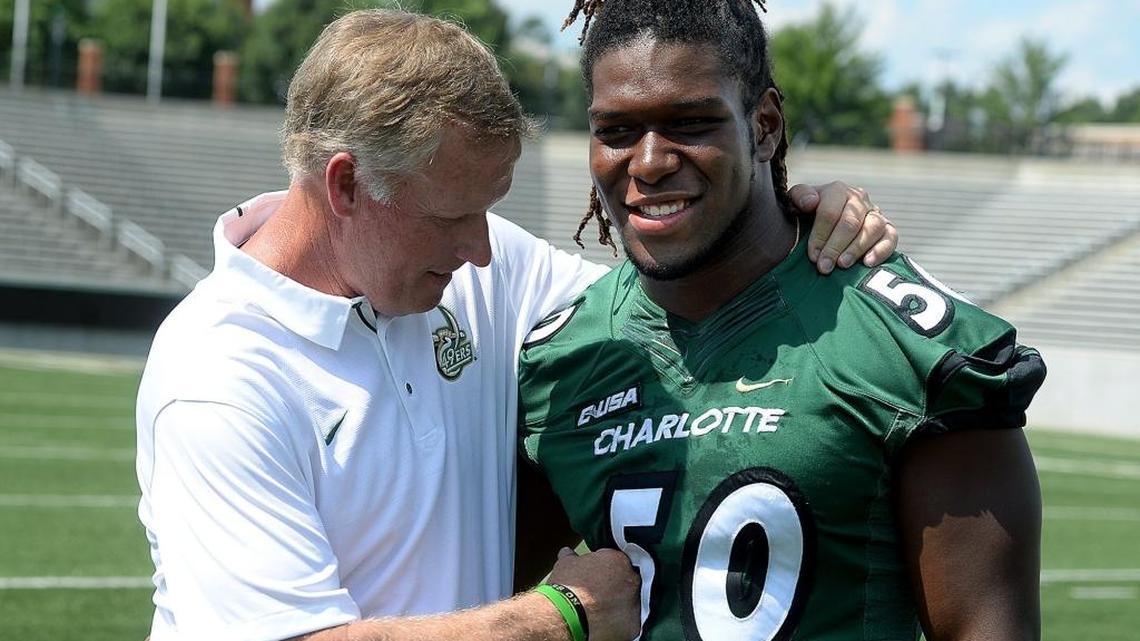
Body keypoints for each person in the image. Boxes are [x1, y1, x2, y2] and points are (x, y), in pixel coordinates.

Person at [135, 8, 901, 641]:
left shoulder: (466, 267)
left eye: (489, 213)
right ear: (346, 186)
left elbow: (676, 291)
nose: (481, 249)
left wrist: (790, 214)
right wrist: (559, 616)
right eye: (455, 217)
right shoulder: (220, 378)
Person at [517, 1, 1046, 640]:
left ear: (764, 124)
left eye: (690, 123)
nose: (650, 161)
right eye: (617, 131)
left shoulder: (906, 349)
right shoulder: (559, 359)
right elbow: (516, 603)